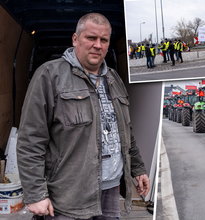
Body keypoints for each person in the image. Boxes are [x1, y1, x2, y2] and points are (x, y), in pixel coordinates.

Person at [16, 13, 150, 219]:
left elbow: (125, 130)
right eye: (91, 38)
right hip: (68, 196)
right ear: (75, 39)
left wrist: (138, 169)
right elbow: (30, 140)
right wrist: (35, 194)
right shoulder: (49, 75)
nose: (98, 45)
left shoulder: (114, 78)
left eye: (103, 40)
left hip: (111, 190)